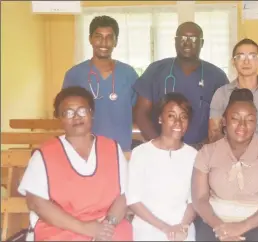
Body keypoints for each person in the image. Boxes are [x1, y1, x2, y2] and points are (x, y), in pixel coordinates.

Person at [17, 86, 132, 241]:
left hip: (107, 225)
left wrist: (107, 226)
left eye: (82, 110)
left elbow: (124, 195)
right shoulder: (44, 154)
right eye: (68, 113)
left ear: (92, 113)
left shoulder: (112, 148)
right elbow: (36, 203)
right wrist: (85, 229)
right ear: (60, 118)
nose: (77, 117)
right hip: (61, 228)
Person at [192, 88, 258, 241]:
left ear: (256, 123)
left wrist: (242, 226)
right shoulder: (207, 153)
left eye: (249, 120)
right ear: (224, 121)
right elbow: (199, 198)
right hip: (215, 224)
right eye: (235, 118)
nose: (242, 125)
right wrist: (221, 229)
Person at [133, 21, 229, 150]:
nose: (187, 42)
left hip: (203, 150)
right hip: (162, 148)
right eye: (182, 38)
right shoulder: (156, 70)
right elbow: (141, 112)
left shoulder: (217, 76)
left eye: (193, 38)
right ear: (175, 41)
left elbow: (227, 119)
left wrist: (207, 148)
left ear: (202, 43)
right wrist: (159, 144)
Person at [126, 92, 197, 241]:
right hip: (148, 227)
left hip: (182, 229)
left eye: (183, 117)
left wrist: (182, 227)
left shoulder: (194, 155)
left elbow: (195, 200)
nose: (178, 122)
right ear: (160, 118)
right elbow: (133, 199)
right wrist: (165, 228)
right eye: (171, 116)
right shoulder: (141, 153)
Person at [62, 15, 139, 151]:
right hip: (84, 151)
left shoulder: (129, 74)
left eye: (110, 37)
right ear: (90, 39)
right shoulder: (74, 75)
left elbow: (138, 112)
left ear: (115, 42)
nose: (104, 43)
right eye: (98, 37)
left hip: (120, 151)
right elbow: (65, 114)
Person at [209, 38, 258, 150]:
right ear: (233, 62)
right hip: (230, 156)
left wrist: (253, 151)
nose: (246, 61)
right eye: (240, 57)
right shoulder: (221, 93)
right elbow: (214, 133)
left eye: (252, 56)